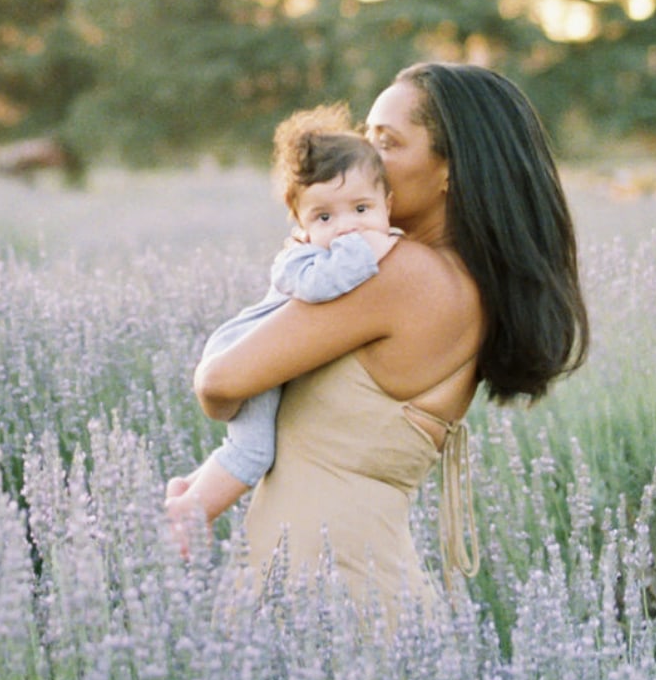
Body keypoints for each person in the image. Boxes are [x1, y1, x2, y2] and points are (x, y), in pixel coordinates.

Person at [174, 62, 589, 623]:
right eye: (365, 135)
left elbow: (219, 382)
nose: (363, 156)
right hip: (342, 582)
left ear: (451, 169)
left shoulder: (402, 274)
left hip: (332, 592)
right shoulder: (457, 279)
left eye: (387, 142)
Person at [165, 106, 401, 549]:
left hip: (266, 352)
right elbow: (318, 288)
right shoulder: (301, 257)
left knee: (244, 445)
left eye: (361, 208)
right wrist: (372, 248)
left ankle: (188, 488)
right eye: (324, 218)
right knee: (253, 452)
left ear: (388, 205)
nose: (346, 227)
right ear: (301, 224)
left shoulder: (355, 244)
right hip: (246, 348)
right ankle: (189, 516)